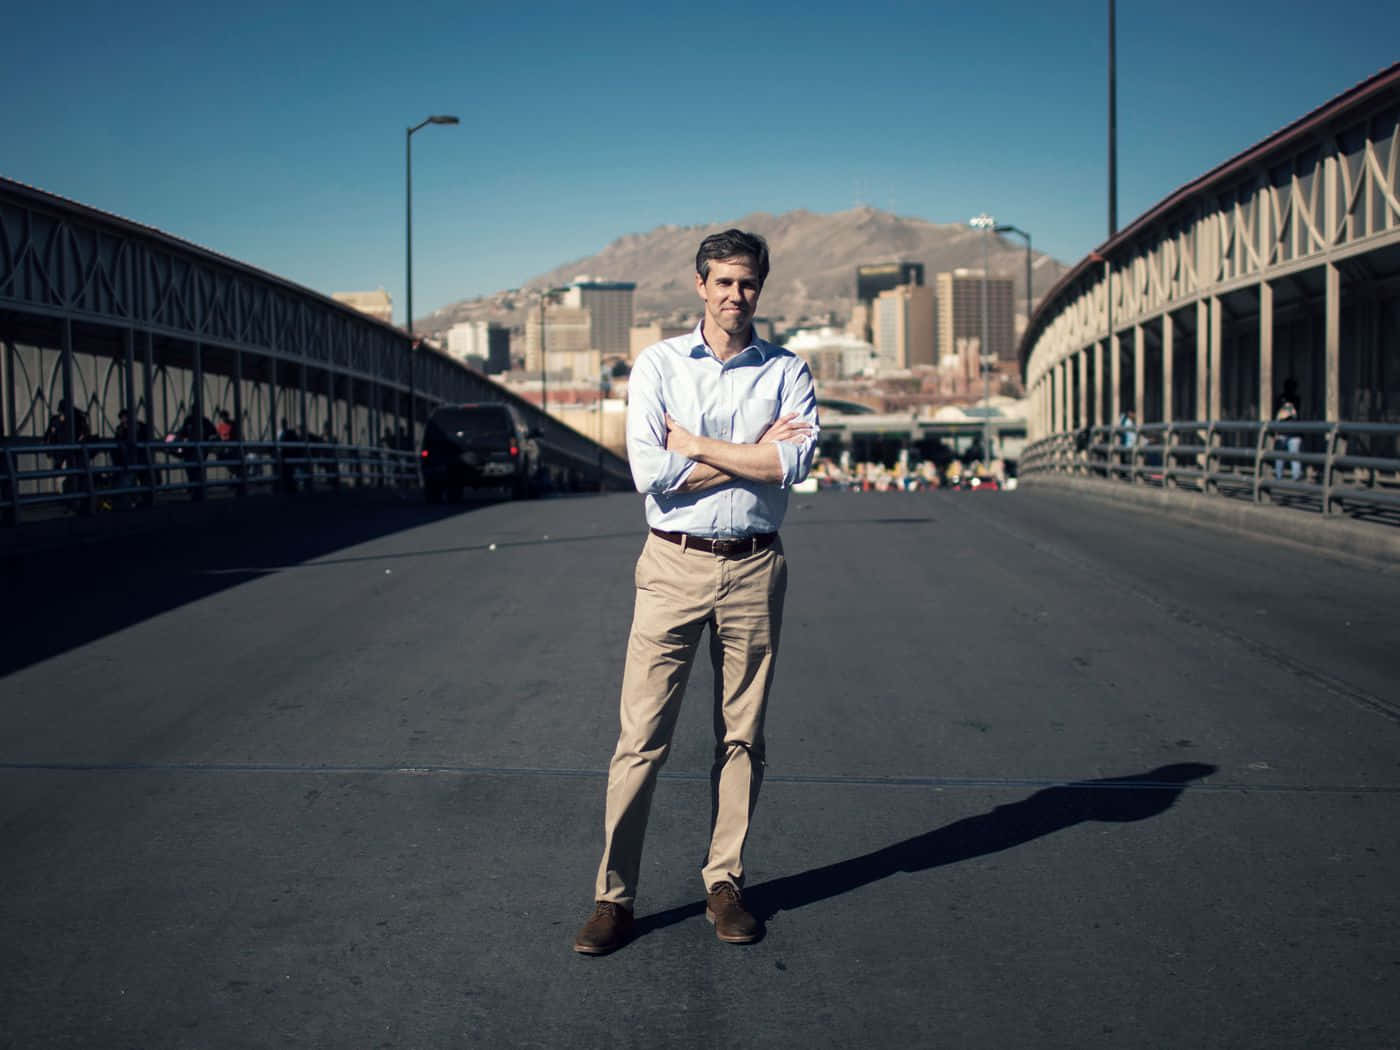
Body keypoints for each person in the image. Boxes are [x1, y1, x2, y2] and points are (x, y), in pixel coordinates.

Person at [573, 230, 819, 956]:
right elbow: (650, 472)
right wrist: (750, 457)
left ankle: (726, 884)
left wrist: (697, 446)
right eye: (723, 283)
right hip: (672, 565)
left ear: (760, 289)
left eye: (748, 284)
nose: (735, 296)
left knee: (742, 736)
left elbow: (794, 461)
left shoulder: (788, 370)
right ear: (700, 284)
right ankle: (613, 897)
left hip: (754, 566)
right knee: (641, 736)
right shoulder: (657, 365)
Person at [1273, 378, 1302, 482]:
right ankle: (1279, 476)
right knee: (1282, 457)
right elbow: (1277, 416)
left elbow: (1293, 414)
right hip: (1284, 432)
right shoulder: (1280, 399)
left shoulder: (1296, 399)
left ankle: (1294, 476)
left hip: (1292, 432)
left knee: (1293, 456)